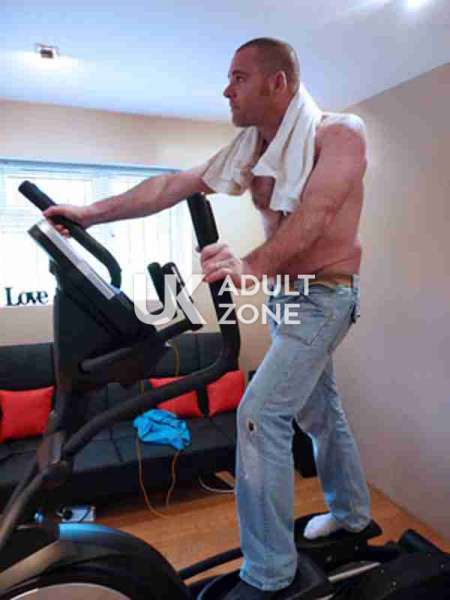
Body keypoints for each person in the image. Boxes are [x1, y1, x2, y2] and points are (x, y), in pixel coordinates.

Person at [45, 38, 371, 600]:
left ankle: (270, 576)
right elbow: (172, 184)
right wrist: (90, 213)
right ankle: (353, 514)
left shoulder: (339, 134)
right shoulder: (255, 148)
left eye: (239, 78)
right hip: (286, 299)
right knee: (320, 413)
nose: (226, 90)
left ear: (277, 83)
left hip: (325, 297)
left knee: (259, 414)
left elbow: (317, 213)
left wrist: (250, 265)